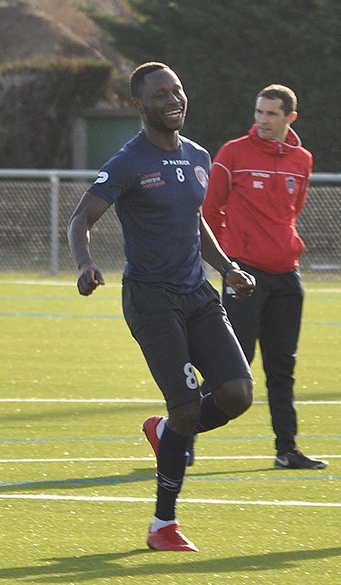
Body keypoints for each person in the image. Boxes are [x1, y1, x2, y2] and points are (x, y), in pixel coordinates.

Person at [67, 62, 256, 553]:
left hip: (197, 294)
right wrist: (85, 264)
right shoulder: (129, 161)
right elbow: (80, 219)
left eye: (177, 91)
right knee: (190, 405)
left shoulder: (198, 156)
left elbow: (195, 222)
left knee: (237, 394)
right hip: (151, 300)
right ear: (139, 105)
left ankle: (167, 431)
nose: (173, 100)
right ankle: (162, 526)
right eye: (160, 95)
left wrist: (226, 267)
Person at [203, 85, 325, 470]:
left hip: (288, 277)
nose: (262, 120)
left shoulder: (302, 160)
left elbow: (291, 212)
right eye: (259, 112)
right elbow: (209, 209)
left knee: (282, 367)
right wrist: (231, 260)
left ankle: (286, 450)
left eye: (272, 114)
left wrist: (279, 247)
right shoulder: (233, 153)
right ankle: (181, 433)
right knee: (230, 364)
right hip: (244, 276)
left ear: (290, 118)